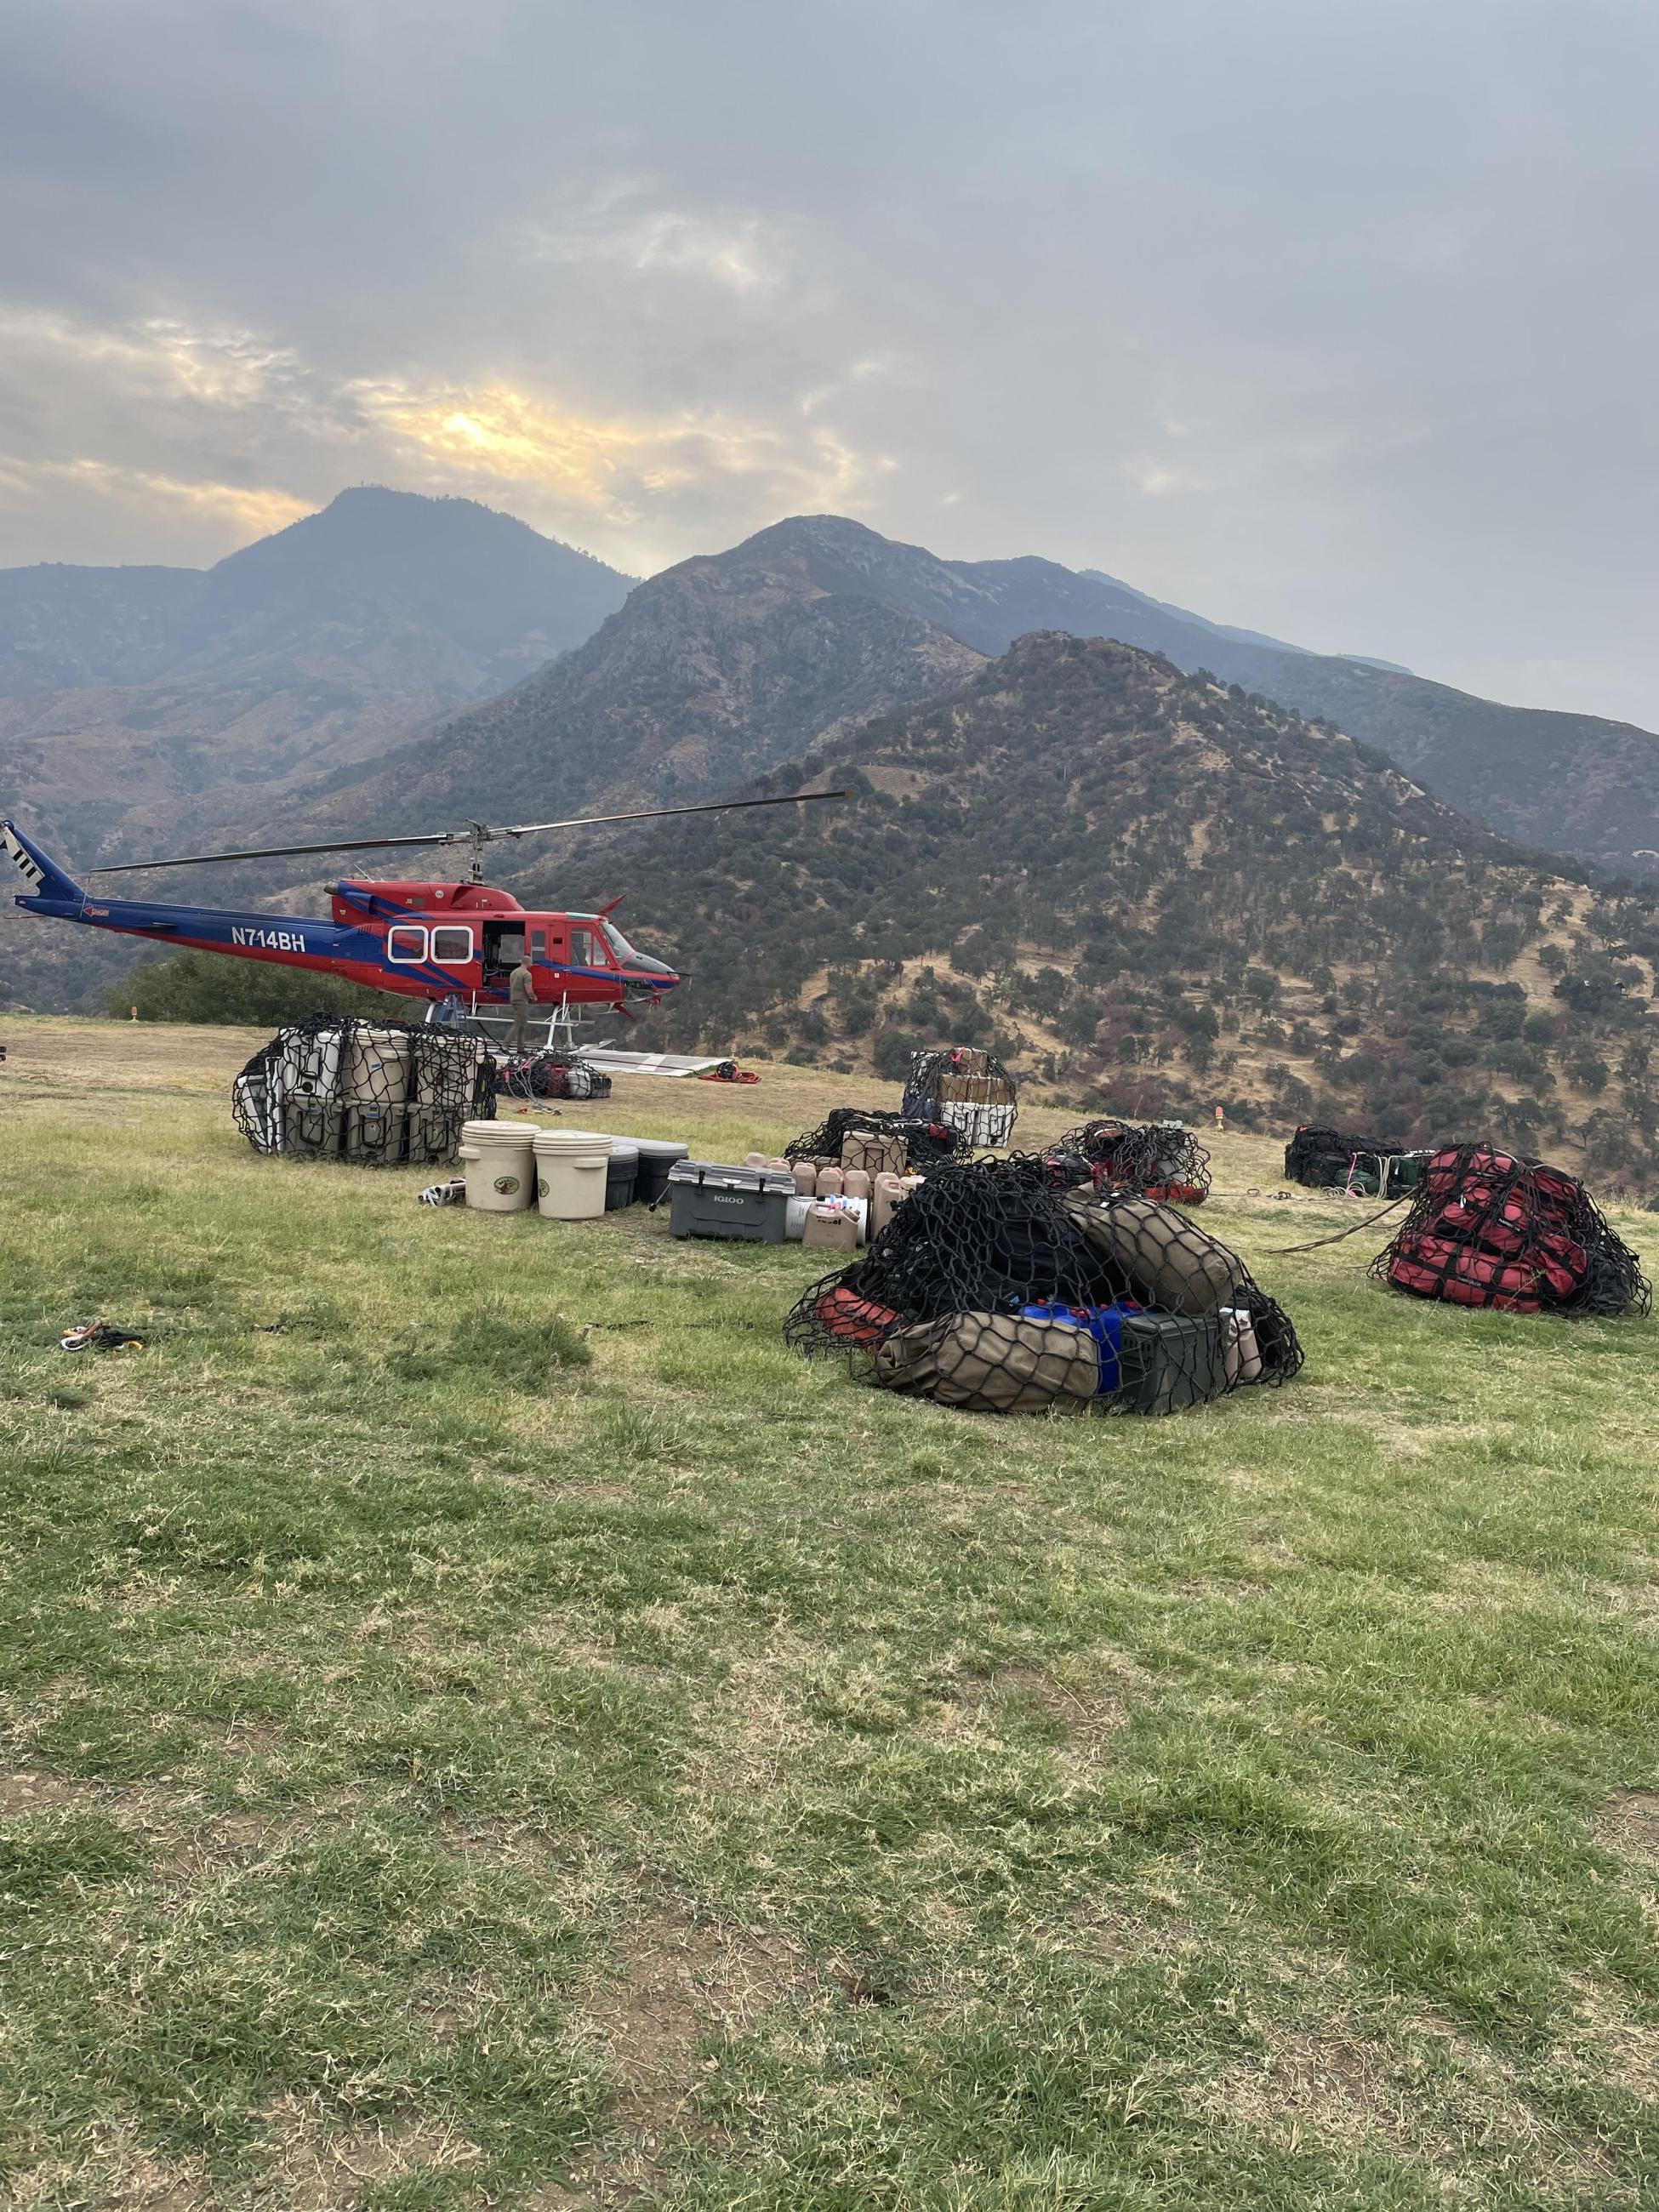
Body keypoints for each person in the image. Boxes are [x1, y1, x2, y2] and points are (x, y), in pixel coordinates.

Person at [507, 952, 539, 1052]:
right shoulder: (527, 974)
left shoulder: (514, 972)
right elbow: (528, 989)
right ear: (528, 963)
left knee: (522, 1025)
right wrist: (533, 997)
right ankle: (504, 1046)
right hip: (522, 1001)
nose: (532, 965)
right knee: (518, 1025)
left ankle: (521, 1048)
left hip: (514, 999)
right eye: (531, 963)